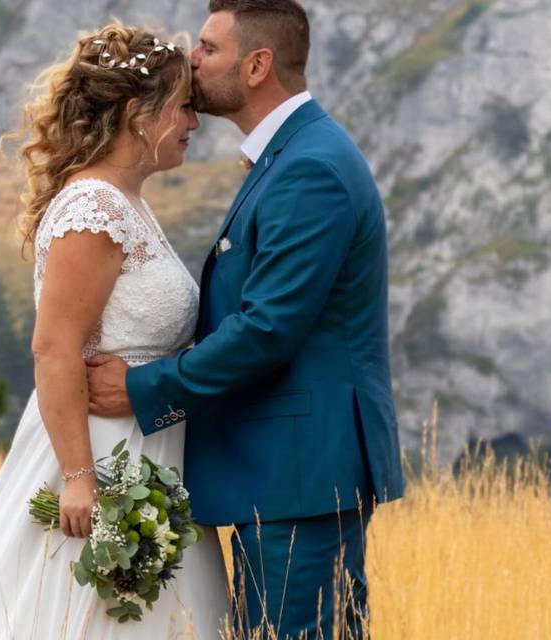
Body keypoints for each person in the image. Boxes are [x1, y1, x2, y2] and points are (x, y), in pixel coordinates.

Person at [86, 1, 406, 638]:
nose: (191, 60)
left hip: (300, 475)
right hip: (289, 473)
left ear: (257, 65)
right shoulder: (294, 154)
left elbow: (269, 329)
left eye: (208, 48)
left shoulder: (309, 167)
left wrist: (143, 387)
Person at [0, 23, 229, 639]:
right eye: (184, 107)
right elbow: (54, 346)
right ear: (134, 113)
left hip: (153, 458)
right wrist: (79, 479)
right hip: (98, 457)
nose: (195, 123)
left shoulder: (127, 200)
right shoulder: (93, 208)